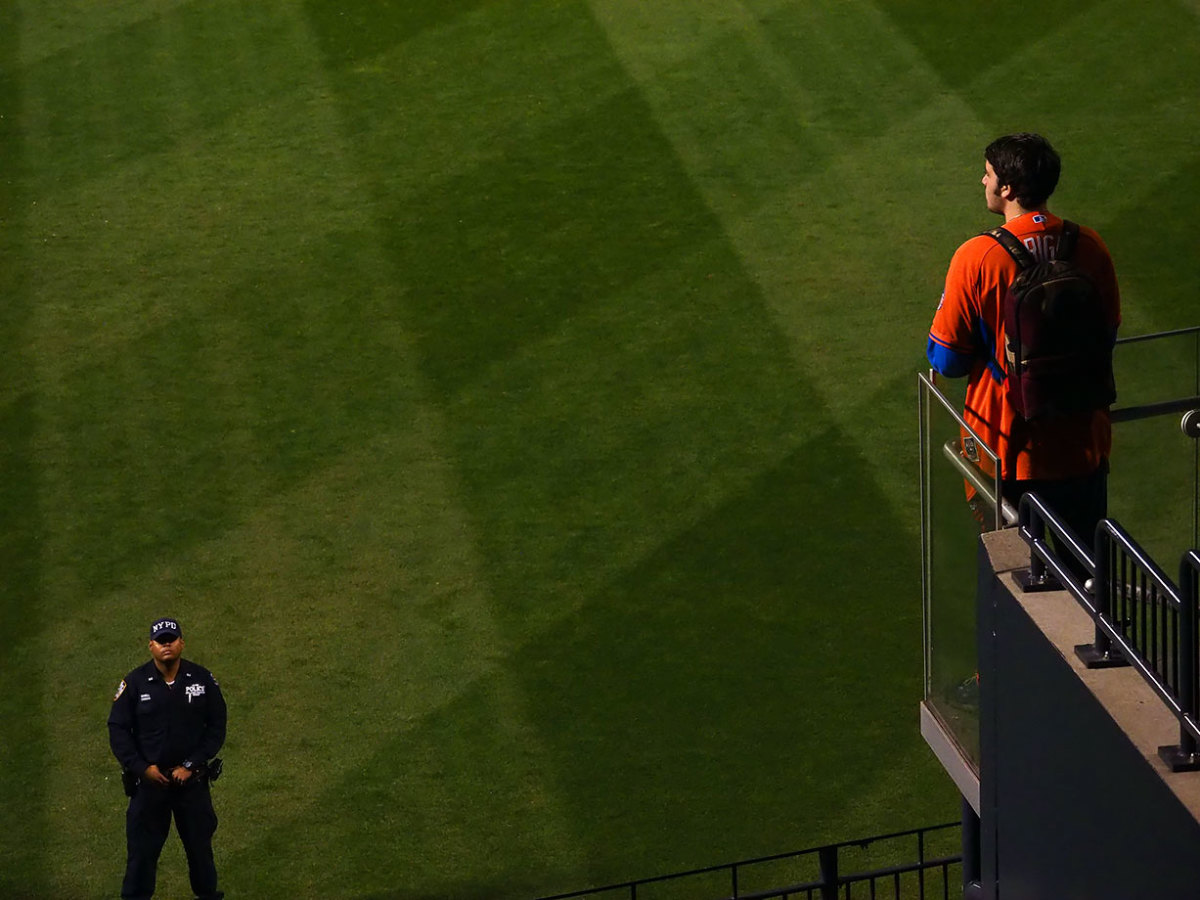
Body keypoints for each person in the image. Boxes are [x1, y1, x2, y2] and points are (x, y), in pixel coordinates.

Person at [927, 133, 1120, 551]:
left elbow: (946, 359)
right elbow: (1108, 335)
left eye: (989, 174)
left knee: (1013, 584)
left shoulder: (977, 256)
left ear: (1008, 188)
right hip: (1083, 442)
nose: (983, 181)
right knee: (1088, 579)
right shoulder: (1090, 246)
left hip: (1004, 446)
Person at [109, 617, 227, 900]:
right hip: (150, 788)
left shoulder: (201, 679)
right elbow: (118, 729)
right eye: (160, 640)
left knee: (200, 853)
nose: (166, 645)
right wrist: (141, 768)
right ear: (150, 646)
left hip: (192, 786)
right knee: (141, 857)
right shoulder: (134, 683)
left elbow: (217, 726)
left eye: (171, 639)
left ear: (182, 643)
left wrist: (192, 765)